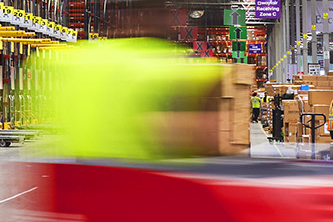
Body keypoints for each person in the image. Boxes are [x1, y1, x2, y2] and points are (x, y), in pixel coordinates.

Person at [24, 37, 226, 160]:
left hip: (87, 170)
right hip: (133, 173)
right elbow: (215, 82)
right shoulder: (147, 66)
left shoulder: (82, 62)